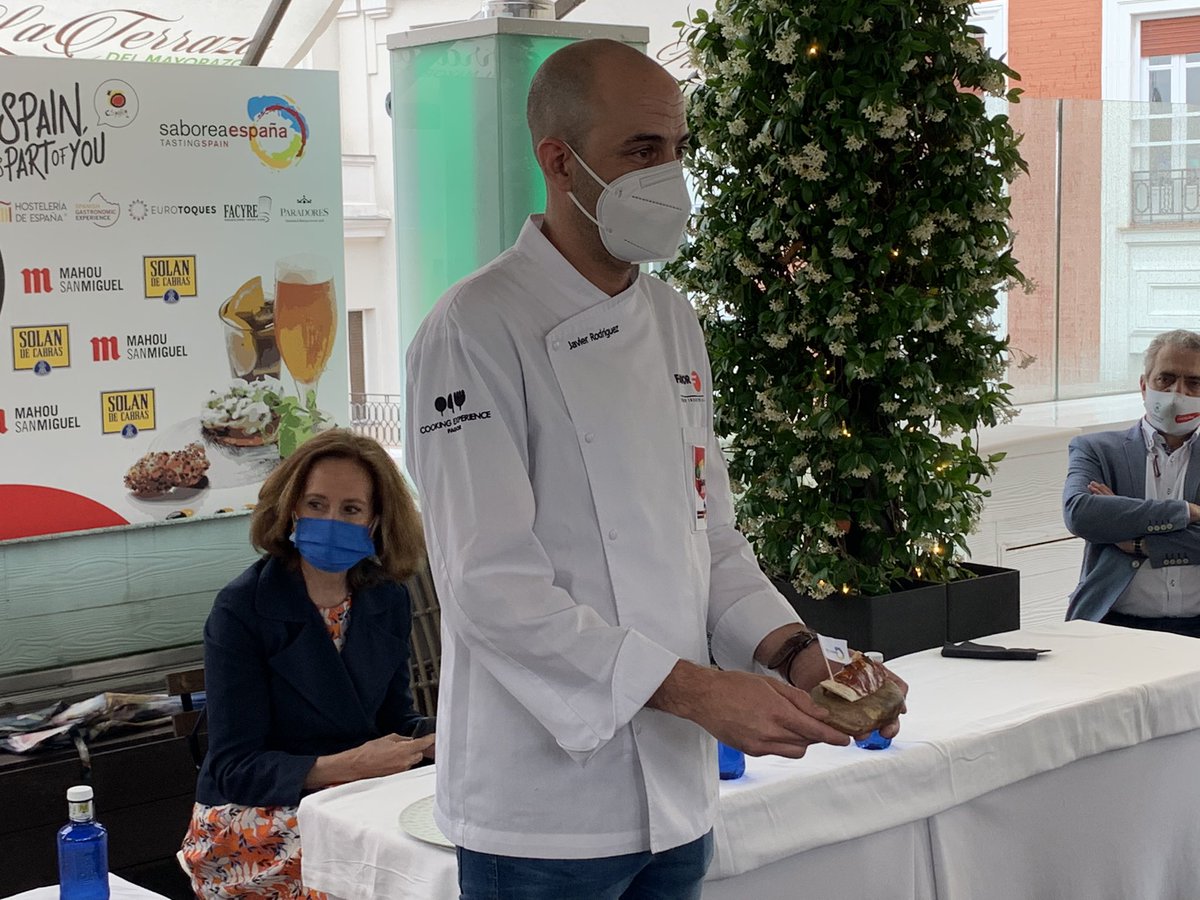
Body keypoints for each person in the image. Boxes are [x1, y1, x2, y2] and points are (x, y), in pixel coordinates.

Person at [405, 38, 905, 899]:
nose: (668, 175)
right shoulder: (474, 330)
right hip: (541, 816)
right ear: (559, 162)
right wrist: (700, 693)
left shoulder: (674, 322)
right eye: (641, 151)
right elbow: (491, 586)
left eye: (677, 149)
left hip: (677, 798)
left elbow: (706, 539)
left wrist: (797, 655)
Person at [180, 429, 435, 899]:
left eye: (351, 510)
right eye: (316, 505)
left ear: (376, 520)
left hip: (352, 801)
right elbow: (235, 767)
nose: (331, 520)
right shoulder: (242, 609)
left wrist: (437, 738)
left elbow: (395, 719)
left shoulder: (387, 598)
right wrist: (347, 765)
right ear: (292, 507)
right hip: (255, 817)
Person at [1063, 328, 1200, 636]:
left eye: (1194, 382)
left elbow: (1105, 519)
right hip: (1114, 624)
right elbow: (1080, 514)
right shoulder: (1095, 449)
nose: (1178, 393)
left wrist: (1140, 542)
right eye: (1166, 379)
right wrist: (1187, 513)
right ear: (1143, 386)